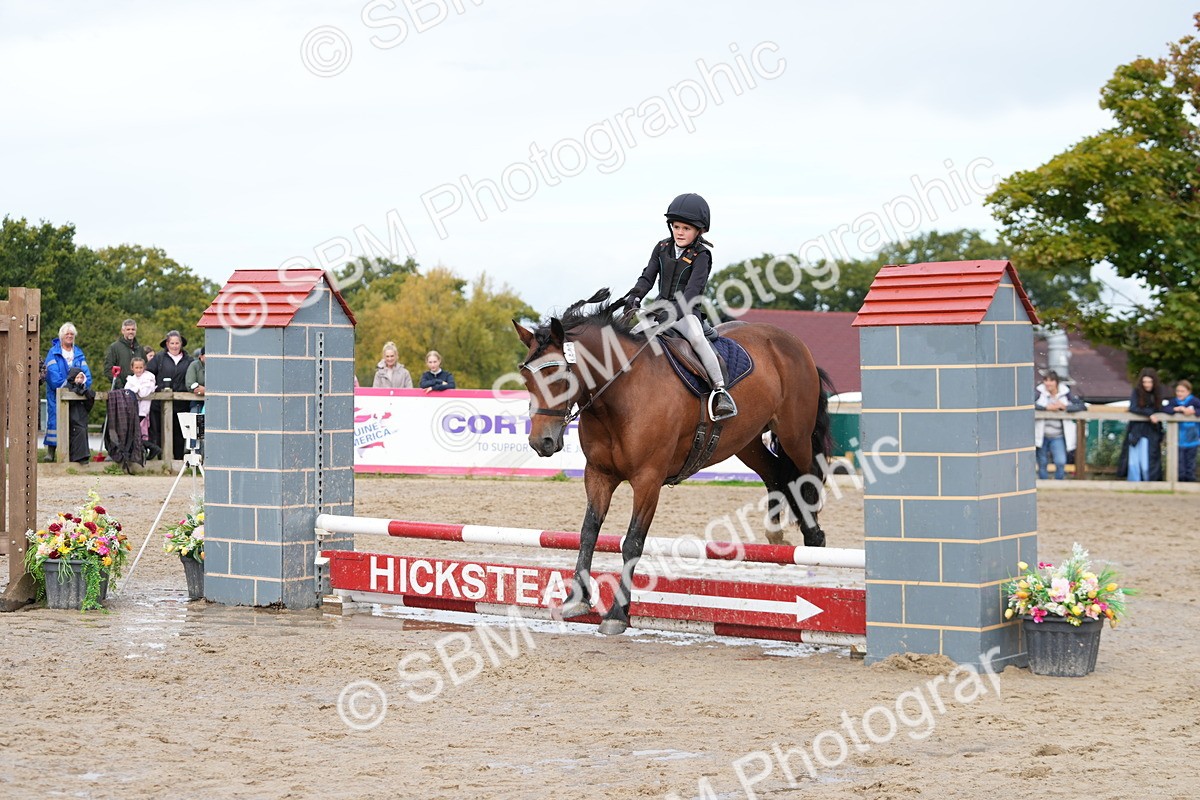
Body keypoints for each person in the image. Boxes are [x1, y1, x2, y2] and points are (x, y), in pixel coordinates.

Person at [618, 193, 736, 420]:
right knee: (632, 339)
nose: (680, 232)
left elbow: (693, 292)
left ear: (699, 231)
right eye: (676, 227)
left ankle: (720, 391)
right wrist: (634, 296)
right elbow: (647, 277)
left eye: (686, 228)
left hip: (685, 313)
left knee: (698, 340)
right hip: (658, 310)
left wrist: (673, 313)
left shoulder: (702, 255)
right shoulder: (661, 247)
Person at [43, 322, 92, 462]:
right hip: (57, 393)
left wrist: (81, 385)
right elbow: (52, 374)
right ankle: (51, 451)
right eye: (67, 334)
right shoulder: (53, 353)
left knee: (75, 422)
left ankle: (73, 452)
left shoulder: (78, 353)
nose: (69, 336)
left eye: (72, 334)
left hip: (76, 394)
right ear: (61, 336)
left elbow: (86, 374)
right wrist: (67, 385)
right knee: (55, 420)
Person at [147, 330, 194, 460]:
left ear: (181, 344)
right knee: (160, 432)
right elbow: (148, 375)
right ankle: (162, 461)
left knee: (179, 434)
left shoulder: (189, 360)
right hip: (160, 403)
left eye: (177, 343)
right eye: (172, 343)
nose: (174, 346)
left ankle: (178, 461)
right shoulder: (159, 358)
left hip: (181, 403)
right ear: (167, 344)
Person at [1033, 371, 1085, 480]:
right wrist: (1045, 408)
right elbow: (1029, 404)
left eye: (1051, 380)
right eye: (1046, 380)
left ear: (1056, 382)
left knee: (1060, 461)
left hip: (1058, 435)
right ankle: (1043, 483)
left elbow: (1081, 406)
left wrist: (1065, 407)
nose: (1048, 383)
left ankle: (1059, 482)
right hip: (1041, 434)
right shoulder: (1038, 393)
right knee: (1042, 462)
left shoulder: (1066, 393)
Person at [1120, 367, 1168, 482]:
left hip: (1151, 430)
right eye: (1145, 382)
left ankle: (1149, 482)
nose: (1147, 385)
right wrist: (1149, 414)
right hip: (1137, 430)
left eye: (1149, 382)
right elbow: (1133, 408)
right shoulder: (1137, 392)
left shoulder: (1157, 393)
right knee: (1134, 461)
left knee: (1148, 461)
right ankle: (1134, 483)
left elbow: (1160, 409)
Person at [124, 356, 159, 458]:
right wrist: (137, 389)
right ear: (132, 368)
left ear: (144, 367)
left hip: (144, 411)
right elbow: (126, 391)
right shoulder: (131, 379)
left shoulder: (149, 378)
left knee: (141, 432)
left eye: (141, 367)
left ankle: (151, 449)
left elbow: (144, 393)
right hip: (132, 410)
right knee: (132, 432)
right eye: (136, 367)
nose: (139, 370)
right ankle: (145, 450)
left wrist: (136, 388)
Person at [1168, 380, 1200, 482]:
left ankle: (1190, 482)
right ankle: (1179, 482)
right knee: (1179, 464)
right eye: (1178, 391)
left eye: (1182, 391)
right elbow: (1165, 409)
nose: (1179, 393)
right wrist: (1176, 409)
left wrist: (1193, 411)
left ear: (1188, 391)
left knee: (1190, 463)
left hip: (1192, 439)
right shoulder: (1173, 402)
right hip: (1177, 439)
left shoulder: (1195, 401)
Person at [102, 319, 142, 387]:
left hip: (139, 388)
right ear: (123, 331)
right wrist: (119, 385)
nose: (131, 332)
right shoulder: (114, 347)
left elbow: (145, 368)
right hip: (121, 389)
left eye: (133, 329)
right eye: (128, 329)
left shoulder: (139, 348)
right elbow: (108, 370)